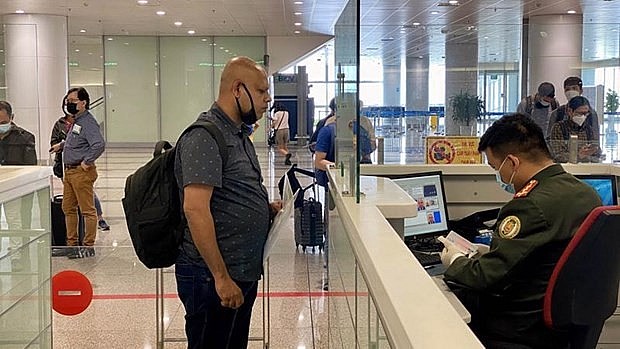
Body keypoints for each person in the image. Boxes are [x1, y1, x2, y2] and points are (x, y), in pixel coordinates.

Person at [439, 113, 602, 348]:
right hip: (564, 325)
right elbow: (547, 257)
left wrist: (454, 260)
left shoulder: (528, 205)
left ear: (513, 162)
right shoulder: (586, 194)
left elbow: (485, 277)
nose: (499, 176)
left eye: (496, 168)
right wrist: (495, 252)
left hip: (520, 328)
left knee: (444, 298)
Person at [173, 56, 282, 349]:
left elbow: (232, 193)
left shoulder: (237, 133)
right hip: (211, 278)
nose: (267, 100)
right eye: (261, 92)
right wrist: (221, 278)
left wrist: (264, 209)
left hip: (240, 271)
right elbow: (195, 209)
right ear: (237, 89)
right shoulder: (205, 136)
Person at [50, 87, 105, 259]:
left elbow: (98, 144)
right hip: (69, 173)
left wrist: (86, 162)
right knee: (68, 208)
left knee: (87, 210)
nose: (69, 104)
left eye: (73, 101)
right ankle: (71, 245)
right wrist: (62, 145)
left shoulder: (88, 121)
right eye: (68, 101)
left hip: (80, 172)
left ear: (83, 103)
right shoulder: (77, 121)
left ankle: (88, 246)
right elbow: (77, 140)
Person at [0, 100, 38, 270]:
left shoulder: (24, 137)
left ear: (11, 118)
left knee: (15, 219)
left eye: (3, 122)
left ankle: (17, 254)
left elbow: (30, 166)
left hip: (14, 187)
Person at [548, 96, 602, 163]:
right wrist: (579, 155)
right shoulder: (559, 128)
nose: (583, 116)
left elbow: (597, 152)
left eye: (586, 113)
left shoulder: (588, 129)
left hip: (586, 168)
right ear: (570, 111)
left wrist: (593, 150)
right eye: (580, 113)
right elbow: (557, 155)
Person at [547, 76, 600, 140]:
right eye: (567, 89)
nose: (570, 92)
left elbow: (595, 140)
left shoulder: (591, 114)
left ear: (581, 91)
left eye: (574, 88)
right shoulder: (557, 113)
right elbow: (549, 139)